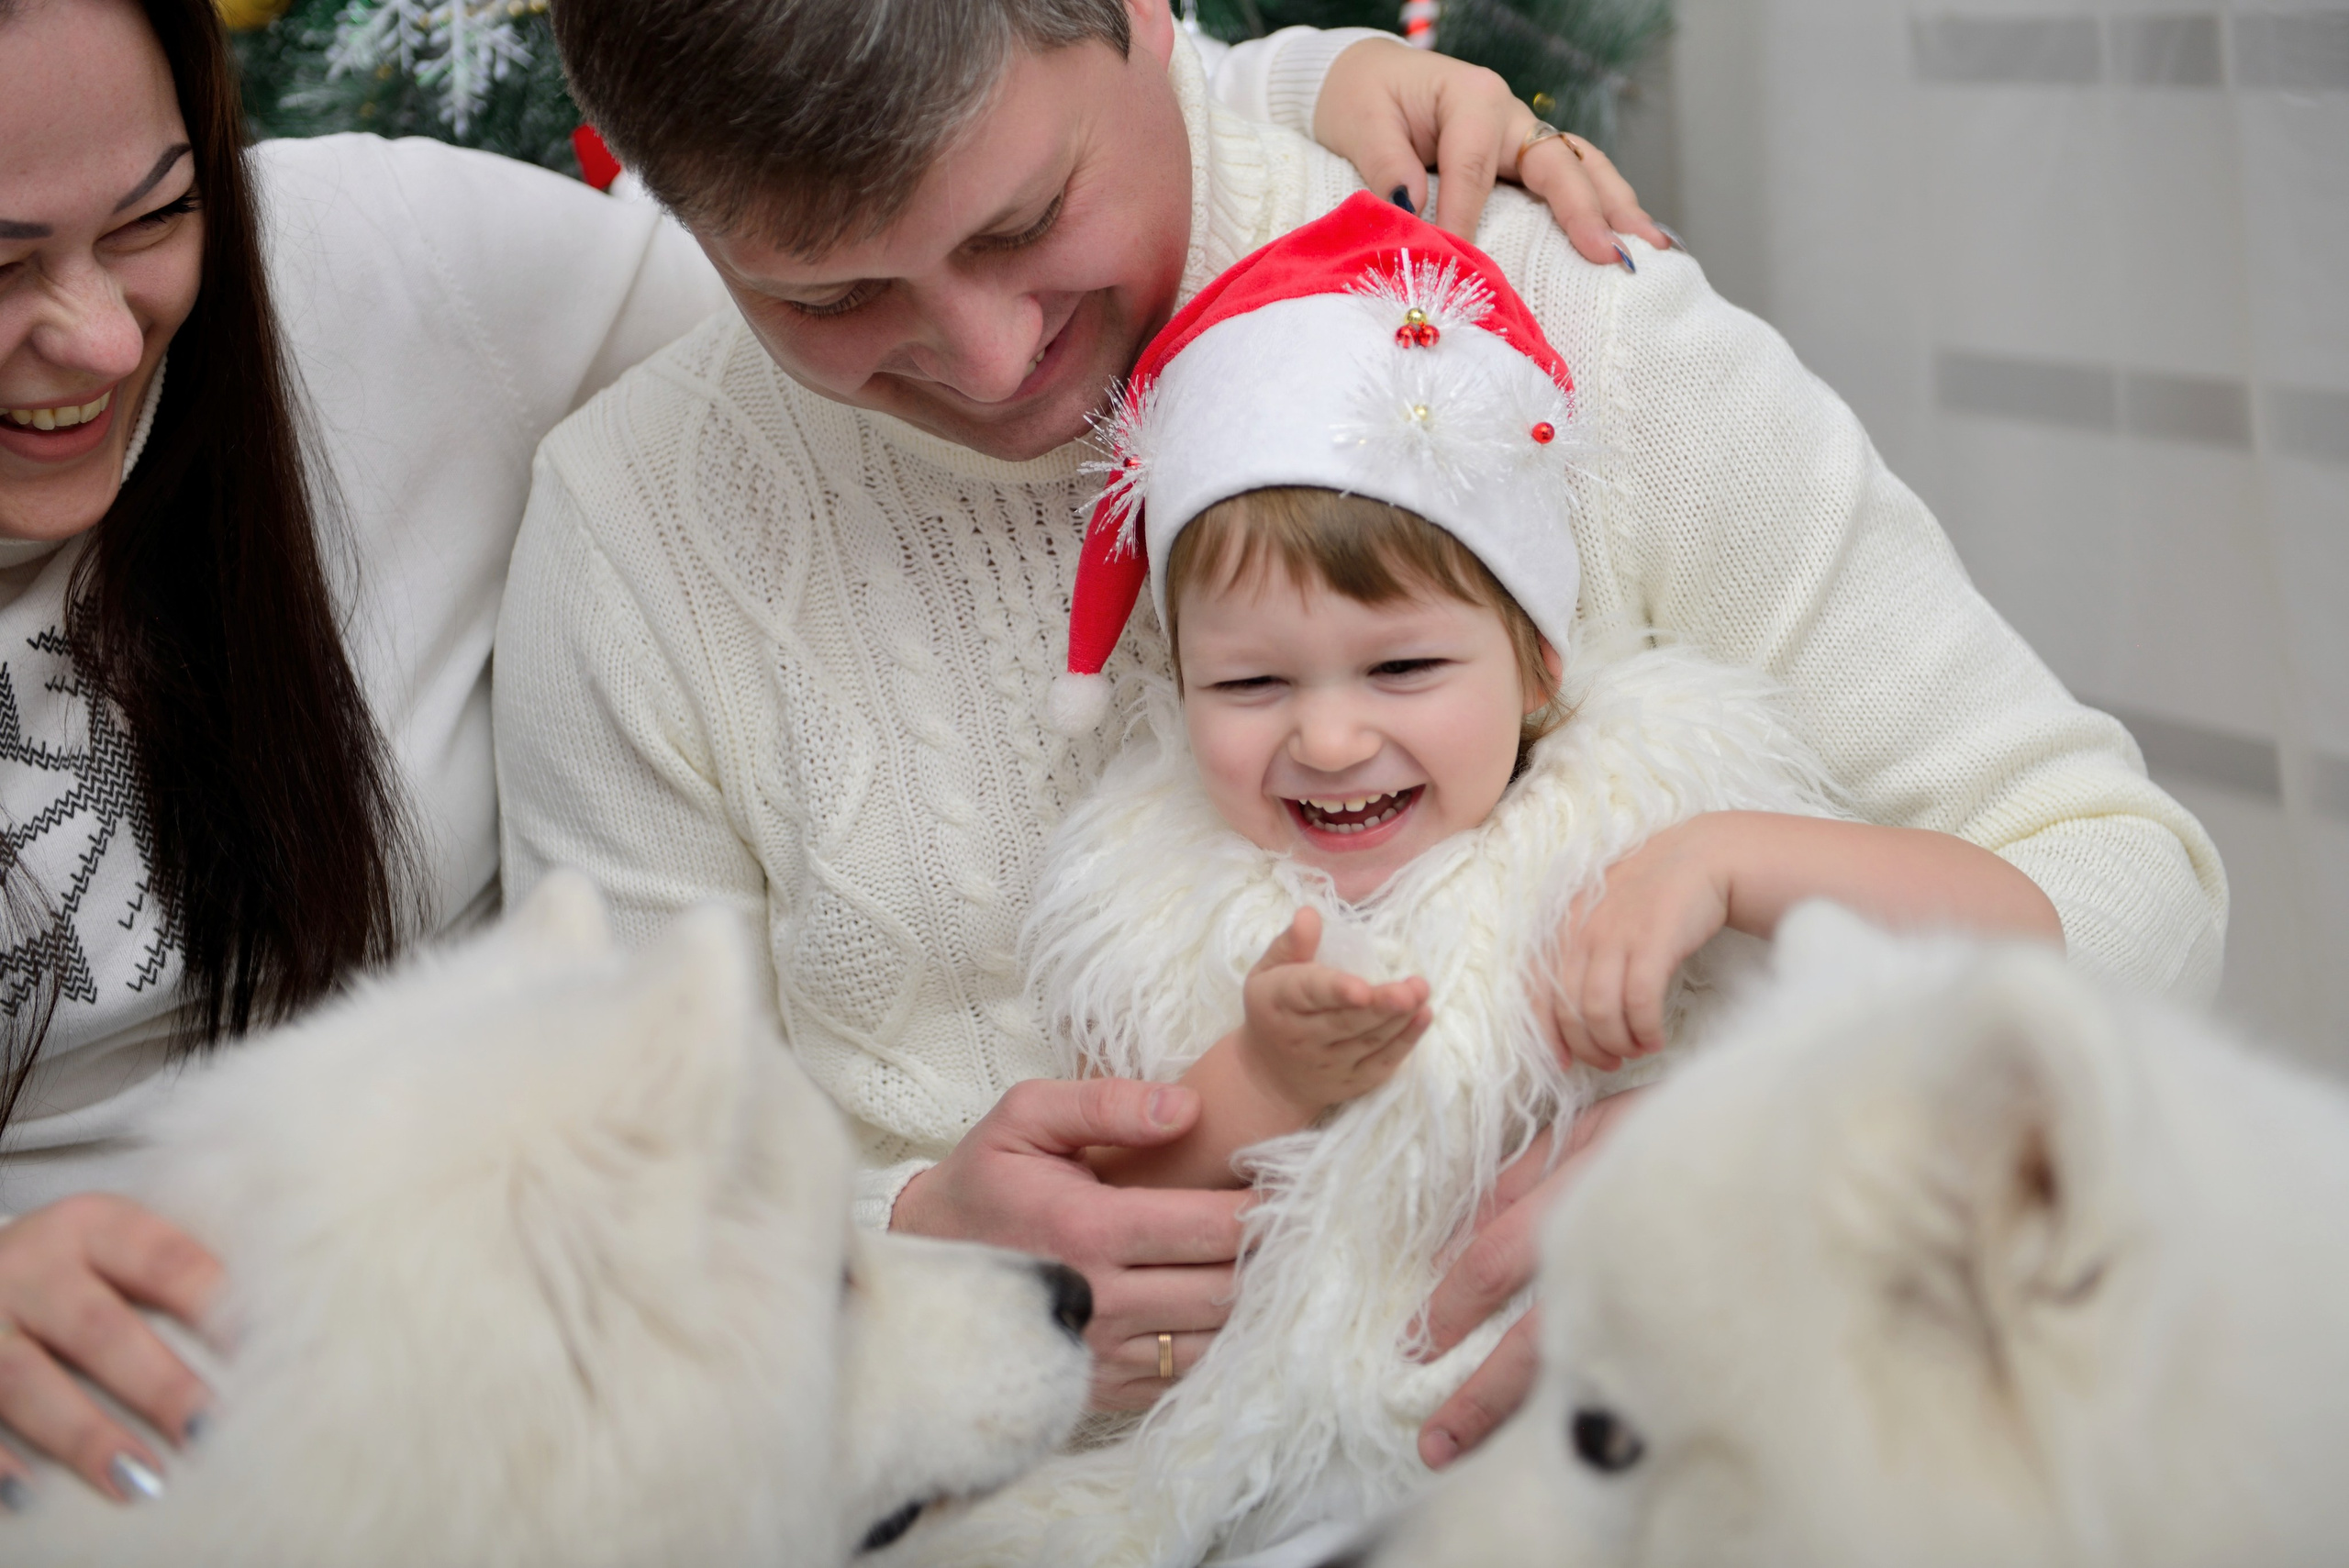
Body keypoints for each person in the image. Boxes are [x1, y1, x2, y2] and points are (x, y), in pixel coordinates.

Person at [495, 0, 2222, 1477]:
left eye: (1025, 220)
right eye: (830, 295)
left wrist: (1804, 1136)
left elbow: (2122, 876)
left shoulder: (1545, 308)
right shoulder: (639, 529)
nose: (990, 352)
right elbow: (602, 1261)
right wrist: (882, 1281)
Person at [0, 0, 1582, 1504]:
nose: (88, 332)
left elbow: (868, 157)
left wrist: (1298, 94)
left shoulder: (386, 275)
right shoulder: (627, 549)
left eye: (151, 218)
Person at [955, 193, 2060, 1562]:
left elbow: (2021, 933)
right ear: (1176, 691)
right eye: (1248, 683)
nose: (1331, 735)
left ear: (1538, 660)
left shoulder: (1645, 807)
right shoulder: (1170, 894)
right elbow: (1144, 1196)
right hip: (1341, 1477)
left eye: (1404, 667)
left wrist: (1728, 862)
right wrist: (1272, 1077)